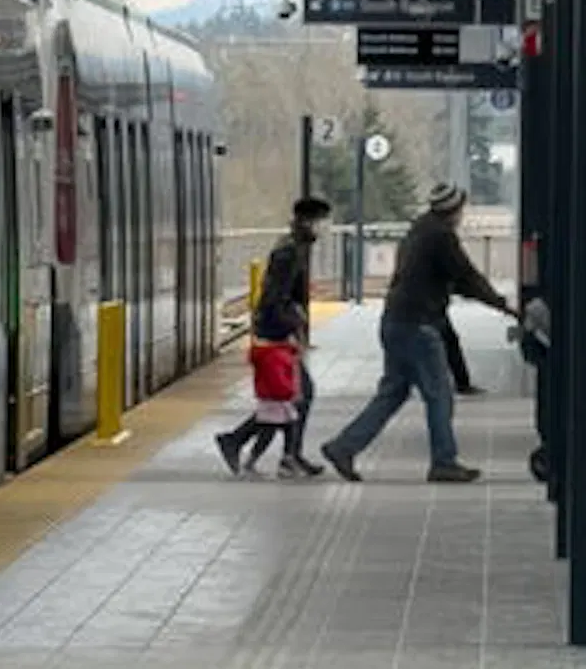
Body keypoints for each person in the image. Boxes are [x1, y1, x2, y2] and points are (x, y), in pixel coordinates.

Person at [318, 185, 509, 483]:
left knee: (393, 392)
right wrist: (501, 304)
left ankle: (344, 447)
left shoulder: (419, 230)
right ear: (454, 210)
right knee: (440, 394)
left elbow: (452, 279)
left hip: (395, 321)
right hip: (418, 326)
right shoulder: (441, 236)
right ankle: (443, 461)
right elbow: (465, 276)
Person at [218, 198, 326, 475]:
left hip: (277, 331)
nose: (324, 228)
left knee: (289, 398)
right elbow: (275, 298)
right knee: (296, 396)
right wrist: (291, 329)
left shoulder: (295, 247)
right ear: (307, 221)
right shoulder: (289, 252)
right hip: (275, 334)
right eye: (321, 222)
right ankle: (268, 450)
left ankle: (280, 453)